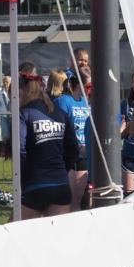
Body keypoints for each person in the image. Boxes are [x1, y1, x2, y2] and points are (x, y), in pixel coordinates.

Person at [18, 64, 78, 219]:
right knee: (54, 239)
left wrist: (25, 176)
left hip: (36, 185)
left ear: (22, 92)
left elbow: (20, 150)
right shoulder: (60, 113)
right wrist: (62, 170)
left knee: (13, 233)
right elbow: (73, 149)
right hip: (61, 186)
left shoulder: (24, 114)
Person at [53, 67, 91, 211]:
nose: (90, 89)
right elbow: (59, 128)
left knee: (78, 199)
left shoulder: (85, 102)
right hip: (68, 155)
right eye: (88, 86)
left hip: (84, 154)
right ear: (78, 84)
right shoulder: (63, 101)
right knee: (68, 201)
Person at [0, 76, 12, 157]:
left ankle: (13, 151)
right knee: (6, 135)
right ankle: (6, 151)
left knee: (14, 134)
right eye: (4, 81)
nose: (5, 83)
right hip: (4, 117)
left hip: (13, 116)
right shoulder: (0, 93)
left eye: (7, 82)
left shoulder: (15, 91)